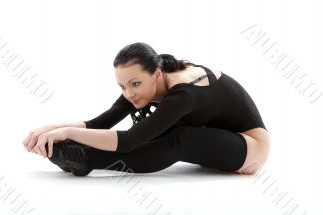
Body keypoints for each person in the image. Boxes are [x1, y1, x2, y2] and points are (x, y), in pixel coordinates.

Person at [23, 42, 270, 176]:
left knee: (178, 138)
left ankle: (87, 158)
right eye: (122, 86)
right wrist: (49, 129)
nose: (129, 94)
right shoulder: (148, 80)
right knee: (153, 131)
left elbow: (130, 140)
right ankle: (78, 153)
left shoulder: (184, 92)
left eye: (135, 84)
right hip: (215, 140)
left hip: (249, 149)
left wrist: (68, 135)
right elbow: (100, 123)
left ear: (157, 74)